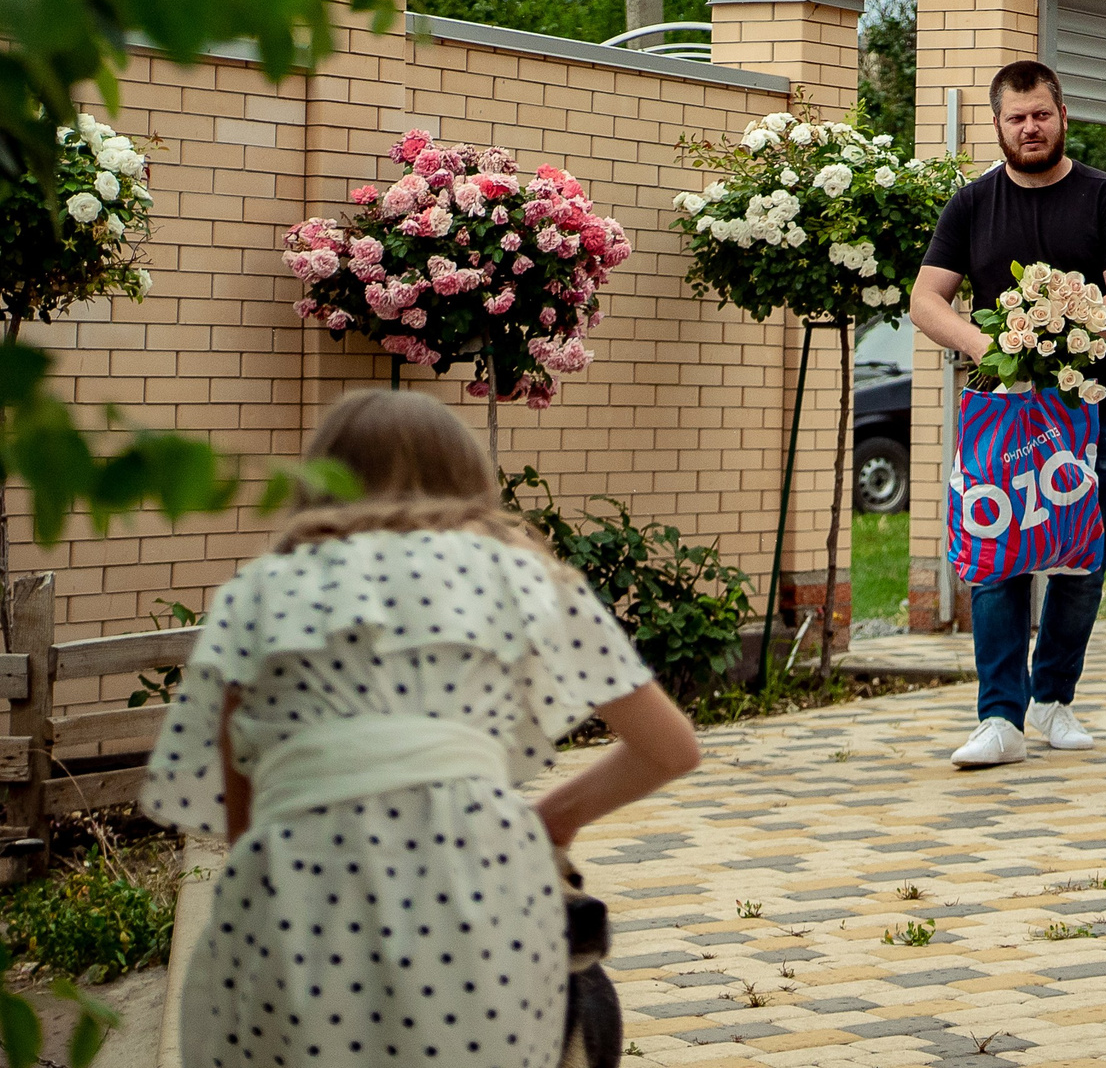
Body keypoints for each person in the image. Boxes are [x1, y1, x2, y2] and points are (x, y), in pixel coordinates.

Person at [142, 390, 702, 1068]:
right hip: (485, 885)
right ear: (471, 482)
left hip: (294, 893)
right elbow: (670, 749)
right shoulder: (521, 577)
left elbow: (244, 826)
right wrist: (552, 816)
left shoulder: (260, 592)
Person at [914, 60, 1106, 769]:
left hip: (1090, 412)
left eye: (1041, 114)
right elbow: (927, 298)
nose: (1030, 128)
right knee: (996, 558)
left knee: (1081, 559)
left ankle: (1052, 699)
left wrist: (1060, 339)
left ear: (1062, 114)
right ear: (997, 124)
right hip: (1002, 415)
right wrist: (986, 345)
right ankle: (999, 717)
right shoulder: (972, 204)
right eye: (1016, 117)